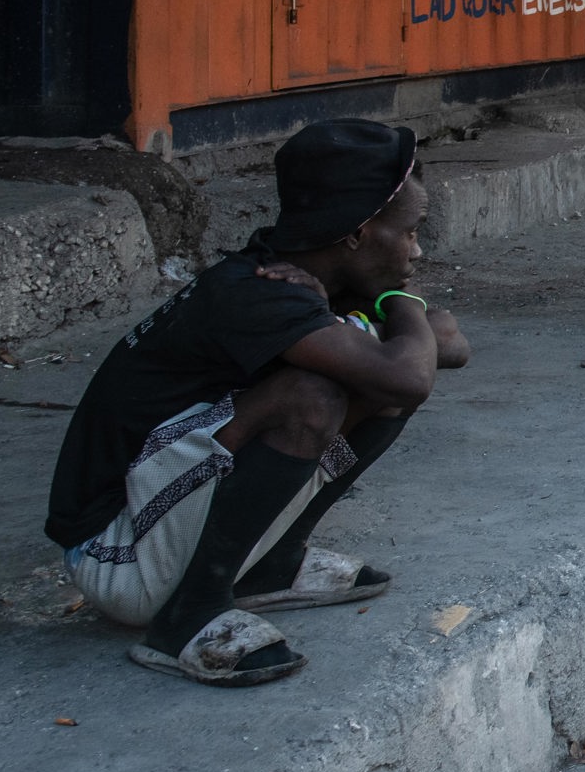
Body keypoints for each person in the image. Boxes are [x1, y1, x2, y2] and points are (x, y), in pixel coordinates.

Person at [45, 119, 471, 686]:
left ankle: (273, 563)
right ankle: (186, 617)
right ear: (356, 233)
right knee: (312, 396)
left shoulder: (312, 281)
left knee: (375, 380)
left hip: (160, 524)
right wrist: (401, 301)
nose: (417, 250)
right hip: (117, 553)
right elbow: (412, 373)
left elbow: (450, 346)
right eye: (410, 232)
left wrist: (395, 313)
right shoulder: (259, 293)